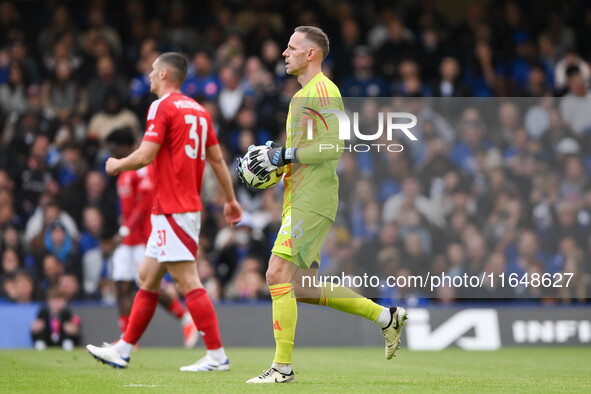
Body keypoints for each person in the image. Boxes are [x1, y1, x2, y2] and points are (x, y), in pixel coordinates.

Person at [238, 26, 407, 384]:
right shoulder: (302, 96)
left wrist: (283, 153)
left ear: (310, 54)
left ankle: (282, 368)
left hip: (312, 199)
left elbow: (336, 146)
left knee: (275, 274)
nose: (284, 53)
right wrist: (274, 165)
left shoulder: (324, 91)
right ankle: (386, 317)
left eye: (291, 47)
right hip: (299, 196)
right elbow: (302, 152)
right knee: (302, 288)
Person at [86, 52, 242, 371]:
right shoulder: (199, 111)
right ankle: (125, 348)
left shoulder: (161, 106)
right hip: (174, 210)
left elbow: (145, 155)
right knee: (146, 277)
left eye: (153, 71)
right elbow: (217, 161)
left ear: (165, 74)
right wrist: (230, 199)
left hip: (174, 209)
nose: (150, 76)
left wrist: (117, 164)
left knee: (187, 281)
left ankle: (216, 355)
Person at [106, 127, 199, 348]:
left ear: (127, 147)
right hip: (127, 239)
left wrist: (125, 229)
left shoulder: (140, 170)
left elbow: (143, 203)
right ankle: (128, 338)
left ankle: (184, 318)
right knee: (121, 286)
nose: (112, 150)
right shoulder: (123, 173)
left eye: (115, 146)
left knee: (149, 284)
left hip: (144, 237)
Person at [31, 286, 80, 351]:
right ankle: (40, 343)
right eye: (54, 301)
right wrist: (35, 328)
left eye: (59, 300)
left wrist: (73, 329)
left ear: (65, 302)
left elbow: (74, 330)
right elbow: (35, 328)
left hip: (62, 340)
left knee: (67, 330)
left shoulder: (66, 313)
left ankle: (67, 343)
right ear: (48, 301)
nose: (57, 304)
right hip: (47, 339)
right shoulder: (43, 313)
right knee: (41, 329)